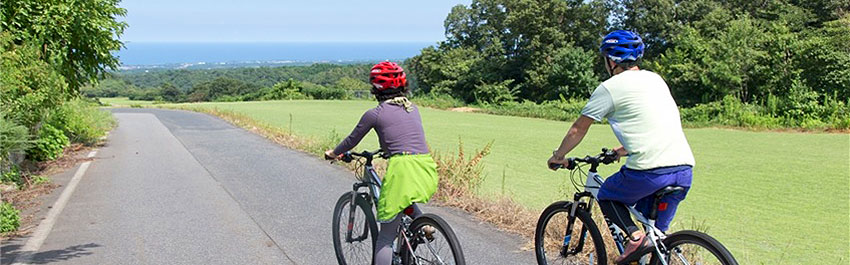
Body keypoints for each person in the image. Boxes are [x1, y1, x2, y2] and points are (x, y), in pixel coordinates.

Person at [547, 30, 695, 263]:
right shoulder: (656, 79)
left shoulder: (610, 88)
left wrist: (559, 155)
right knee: (657, 240)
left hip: (649, 172)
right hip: (683, 170)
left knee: (607, 195)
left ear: (612, 60)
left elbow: (579, 128)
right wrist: (620, 151)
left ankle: (635, 238)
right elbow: (653, 126)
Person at [325, 61, 438, 265]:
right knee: (404, 199)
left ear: (375, 89)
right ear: (403, 86)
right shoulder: (413, 109)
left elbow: (352, 140)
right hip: (426, 166)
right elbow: (402, 137)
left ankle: (417, 228)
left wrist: (333, 153)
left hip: (402, 169)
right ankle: (423, 224)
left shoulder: (374, 114)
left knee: (385, 237)